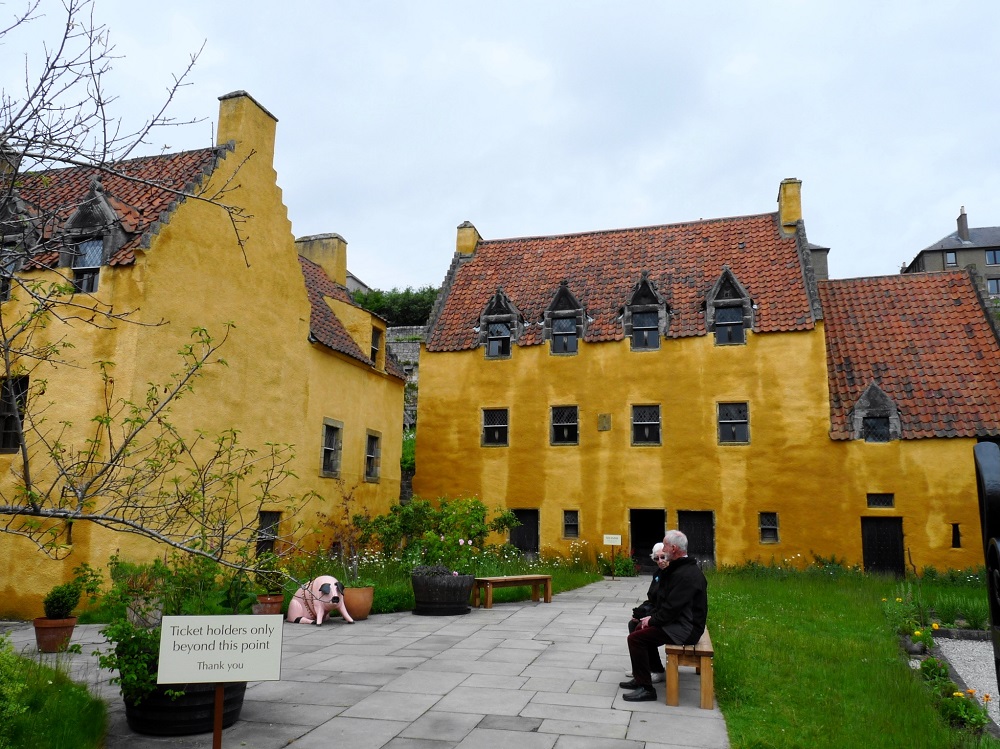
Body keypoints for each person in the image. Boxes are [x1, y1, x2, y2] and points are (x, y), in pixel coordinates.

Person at [619, 529, 708, 702]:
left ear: (673, 548)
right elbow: (663, 601)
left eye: (665, 545)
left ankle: (647, 689)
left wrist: (652, 620)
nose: (663, 549)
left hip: (687, 629)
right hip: (680, 622)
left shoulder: (686, 574)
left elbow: (672, 608)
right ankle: (642, 677)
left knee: (636, 639)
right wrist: (646, 615)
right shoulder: (679, 569)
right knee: (638, 628)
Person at [625, 542, 669, 682]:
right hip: (658, 613)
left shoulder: (672, 575)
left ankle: (656, 669)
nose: (661, 561)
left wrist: (649, 617)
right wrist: (640, 612)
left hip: (668, 619)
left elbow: (666, 604)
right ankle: (640, 667)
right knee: (633, 624)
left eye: (663, 557)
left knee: (642, 630)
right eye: (657, 559)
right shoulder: (657, 574)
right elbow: (652, 598)